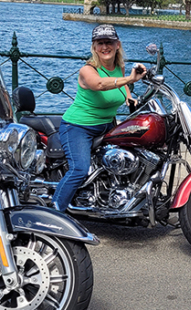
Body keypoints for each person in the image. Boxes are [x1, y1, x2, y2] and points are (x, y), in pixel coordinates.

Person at [52, 24, 146, 211]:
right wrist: (130, 79)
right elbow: (101, 84)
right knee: (79, 169)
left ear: (117, 44)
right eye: (100, 43)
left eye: (109, 42)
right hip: (78, 127)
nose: (105, 47)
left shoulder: (119, 66)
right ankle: (53, 213)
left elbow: (119, 83)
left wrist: (129, 97)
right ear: (94, 47)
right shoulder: (87, 70)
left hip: (107, 125)